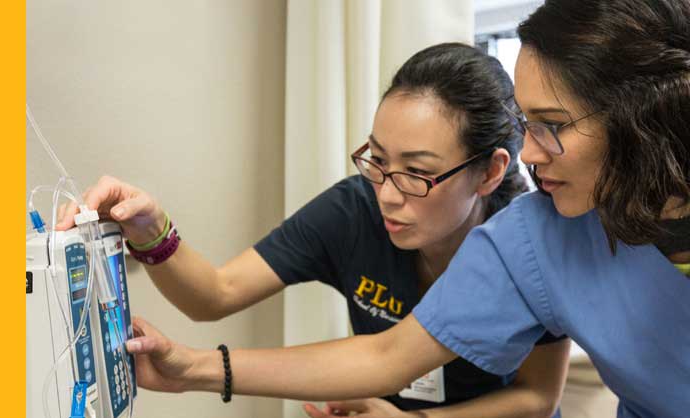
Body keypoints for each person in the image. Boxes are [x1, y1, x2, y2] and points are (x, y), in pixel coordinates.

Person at [114, 1, 690, 418]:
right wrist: (189, 367)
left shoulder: (526, 220)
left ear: (640, 117)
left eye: (554, 126)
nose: (531, 153)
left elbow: (538, 398)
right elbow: (390, 354)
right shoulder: (536, 238)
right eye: (379, 162)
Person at [58, 43, 571, 417]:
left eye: (416, 172)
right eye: (378, 159)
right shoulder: (356, 210)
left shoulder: (524, 248)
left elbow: (538, 397)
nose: (388, 193)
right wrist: (150, 228)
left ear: (489, 171)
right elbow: (216, 294)